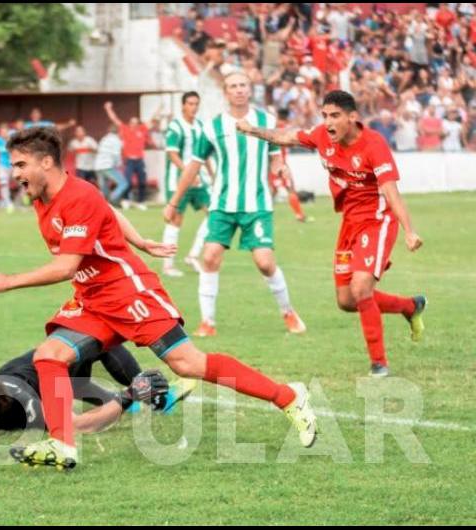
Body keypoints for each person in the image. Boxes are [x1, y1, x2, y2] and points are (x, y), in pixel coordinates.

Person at [0, 127, 317, 470]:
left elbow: (66, 266)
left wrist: (8, 281)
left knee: (188, 364)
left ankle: (288, 396)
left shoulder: (78, 197)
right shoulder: (48, 196)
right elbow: (107, 209)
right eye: (13, 166)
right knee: (50, 355)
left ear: (46, 162)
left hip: (129, 292)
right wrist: (140, 241)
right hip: (94, 299)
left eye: (20, 165)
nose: (14, 173)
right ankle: (62, 445)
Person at [236, 90, 426, 377]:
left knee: (361, 288)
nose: (327, 122)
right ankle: (410, 306)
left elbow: (391, 192)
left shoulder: (374, 145)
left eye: (334, 116)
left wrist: (409, 232)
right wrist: (251, 130)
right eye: (324, 115)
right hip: (349, 222)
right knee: (347, 301)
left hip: (376, 221)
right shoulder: (322, 137)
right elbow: (286, 137)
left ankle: (379, 364)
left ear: (352, 117)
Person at [0, 284, 177, 433]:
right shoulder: (29, 409)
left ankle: (126, 400)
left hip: (58, 379)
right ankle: (155, 396)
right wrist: (130, 393)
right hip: (55, 369)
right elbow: (78, 425)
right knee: (100, 339)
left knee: (81, 384)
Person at [165, 72, 306, 338]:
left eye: (242, 85)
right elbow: (193, 167)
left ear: (249, 90)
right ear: (225, 92)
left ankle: (288, 311)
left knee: (265, 262)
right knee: (209, 257)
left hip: (257, 205)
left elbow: (275, 157)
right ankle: (208, 322)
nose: (239, 90)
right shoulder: (212, 127)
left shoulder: (266, 121)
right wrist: (173, 202)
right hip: (222, 204)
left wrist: (281, 168)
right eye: (233, 86)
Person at [161, 91, 212, 278]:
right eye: (190, 103)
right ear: (183, 105)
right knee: (176, 220)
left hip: (198, 181)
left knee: (213, 213)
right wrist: (186, 172)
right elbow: (172, 153)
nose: (194, 107)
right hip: (178, 181)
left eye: (196, 103)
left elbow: (204, 155)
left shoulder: (200, 126)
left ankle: (192, 256)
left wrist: (213, 176)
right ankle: (168, 265)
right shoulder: (175, 126)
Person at [104, 102, 151, 210]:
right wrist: (108, 109)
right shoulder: (125, 129)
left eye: (136, 122)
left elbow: (151, 121)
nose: (134, 124)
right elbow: (115, 119)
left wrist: (160, 109)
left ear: (138, 123)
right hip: (129, 160)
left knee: (142, 181)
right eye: (132, 122)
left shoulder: (142, 129)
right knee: (128, 181)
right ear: (129, 123)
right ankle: (126, 200)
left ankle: (141, 202)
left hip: (140, 160)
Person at [93, 124, 128, 206]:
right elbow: (116, 155)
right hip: (107, 166)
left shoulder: (104, 139)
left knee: (104, 188)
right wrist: (119, 164)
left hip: (97, 166)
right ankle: (113, 199)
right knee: (123, 183)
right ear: (119, 132)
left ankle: (105, 205)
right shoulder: (117, 141)